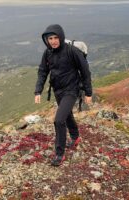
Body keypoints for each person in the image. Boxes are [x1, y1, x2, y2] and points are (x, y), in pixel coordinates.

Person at [34, 24, 92, 166]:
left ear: (61, 37)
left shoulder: (72, 51)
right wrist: (38, 90)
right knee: (67, 115)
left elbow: (85, 72)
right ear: (46, 40)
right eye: (50, 38)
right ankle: (75, 137)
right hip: (58, 90)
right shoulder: (48, 53)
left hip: (72, 90)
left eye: (55, 38)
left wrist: (88, 92)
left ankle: (59, 154)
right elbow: (43, 72)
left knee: (59, 120)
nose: (53, 41)